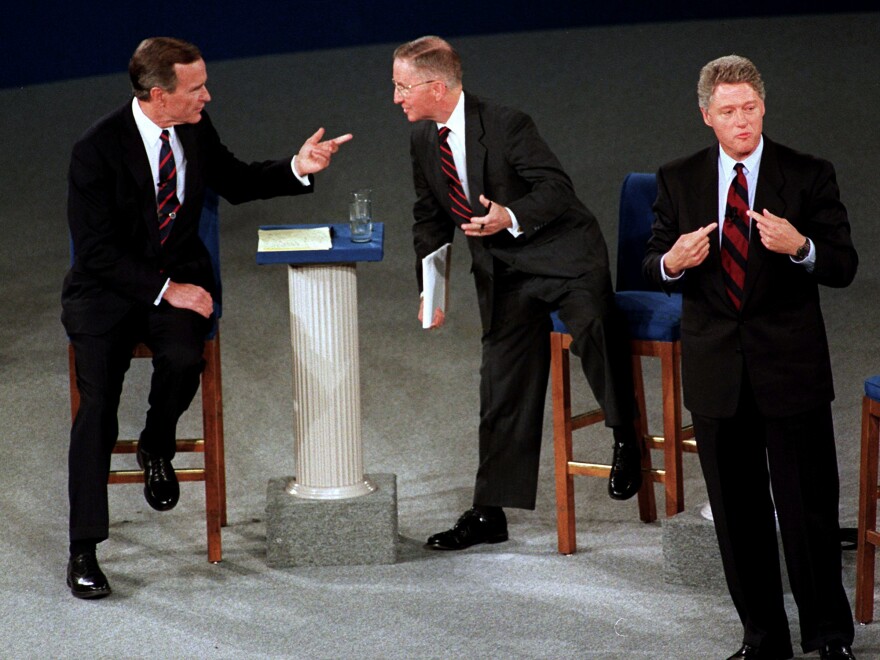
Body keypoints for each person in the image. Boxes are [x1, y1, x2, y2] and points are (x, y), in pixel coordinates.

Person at [62, 36, 351, 599]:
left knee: (183, 357)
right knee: (97, 404)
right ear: (156, 95)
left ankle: (156, 445)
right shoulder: (94, 149)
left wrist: (298, 166)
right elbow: (95, 251)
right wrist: (167, 289)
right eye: (195, 89)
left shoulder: (193, 127)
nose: (207, 97)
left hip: (178, 282)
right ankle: (84, 548)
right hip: (107, 294)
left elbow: (236, 180)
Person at [643, 55, 857, 660]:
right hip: (717, 374)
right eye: (729, 112)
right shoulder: (678, 179)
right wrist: (673, 261)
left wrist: (802, 247)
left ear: (764, 107)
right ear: (707, 116)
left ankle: (828, 637)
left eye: (751, 109)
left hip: (790, 369)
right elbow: (650, 261)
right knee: (738, 521)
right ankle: (763, 640)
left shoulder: (808, 173)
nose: (742, 121)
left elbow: (844, 265)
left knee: (808, 513)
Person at [392, 35, 642, 551]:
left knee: (593, 325)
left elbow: (556, 189)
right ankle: (489, 513)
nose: (395, 98)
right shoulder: (423, 139)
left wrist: (509, 214)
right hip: (505, 271)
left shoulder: (506, 124)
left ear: (436, 87)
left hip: (562, 255)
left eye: (401, 87)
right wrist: (431, 288)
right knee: (501, 381)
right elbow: (429, 217)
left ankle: (626, 438)